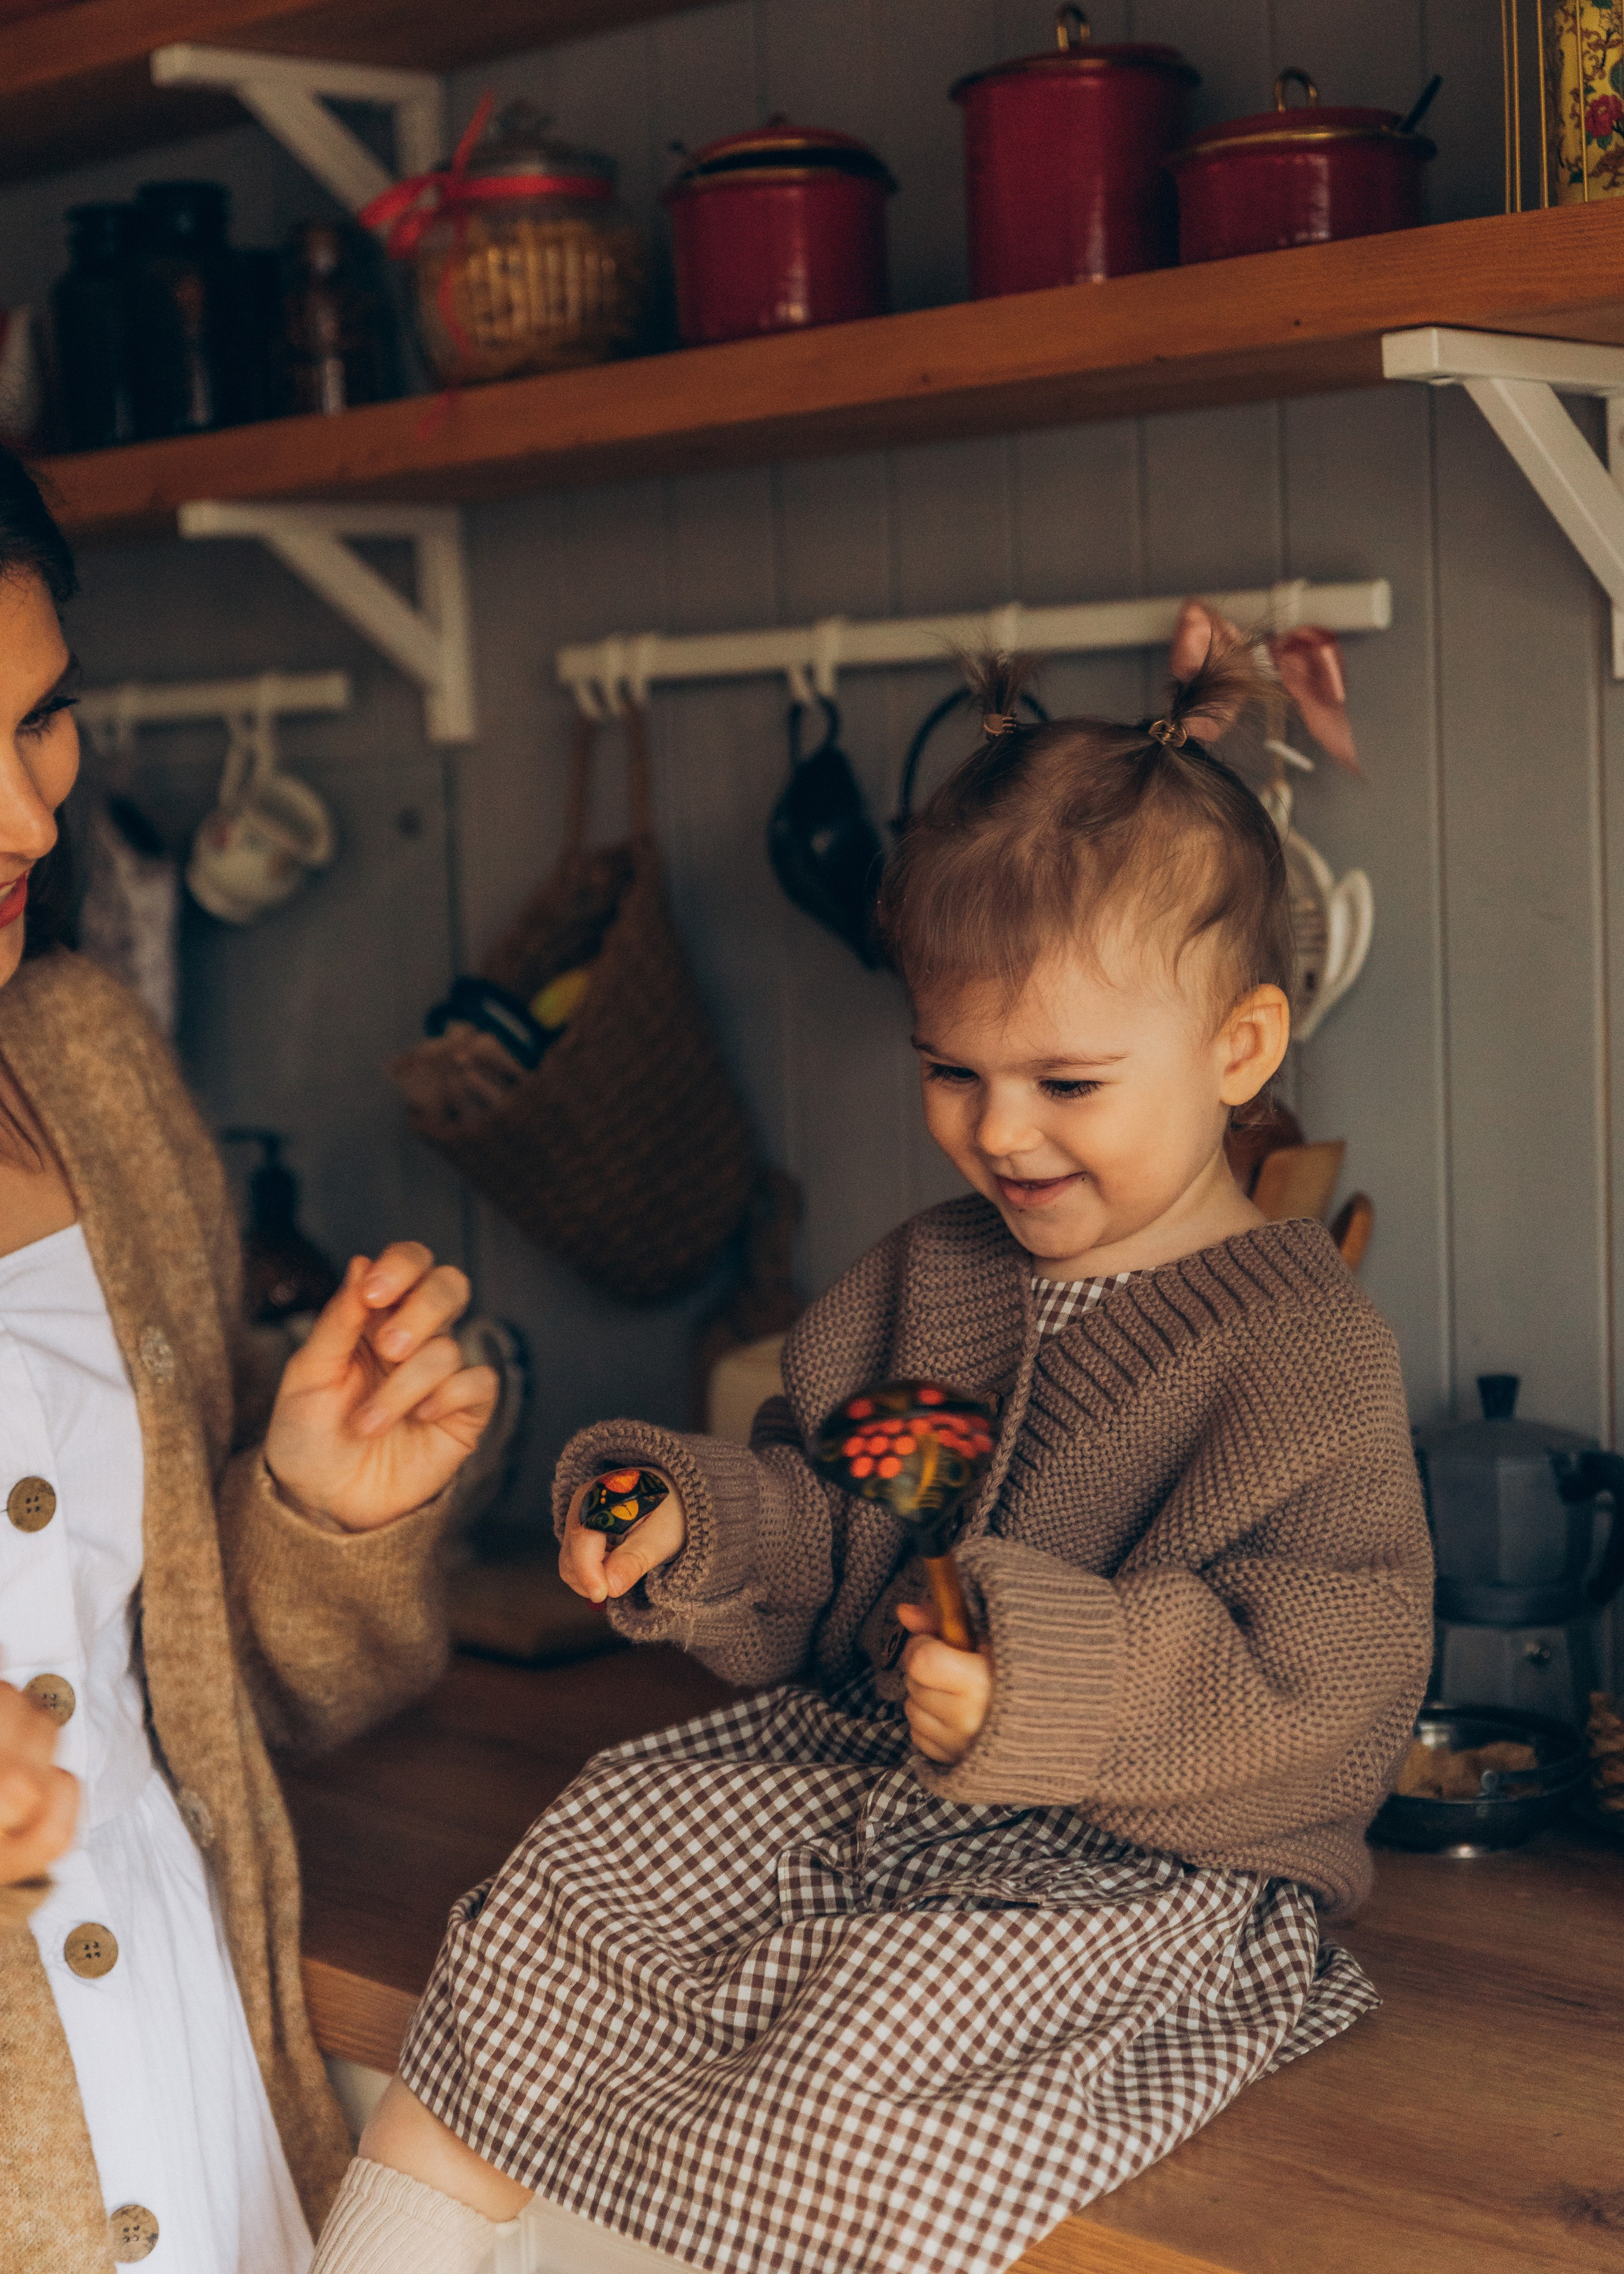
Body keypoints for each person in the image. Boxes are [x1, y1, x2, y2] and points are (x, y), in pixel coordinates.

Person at [311, 636, 1433, 2274]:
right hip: (856, 1785)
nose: (1001, 1132)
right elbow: (840, 1531)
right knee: (563, 1885)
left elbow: (1329, 1699)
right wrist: (695, 1523)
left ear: (1243, 1049)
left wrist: (1028, 1681)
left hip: (1131, 1858)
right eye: (952, 1072)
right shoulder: (931, 1278)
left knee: (860, 2069)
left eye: (1067, 1081)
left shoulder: (1303, 1351)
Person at [0, 447, 499, 2272]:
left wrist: (301, 1513)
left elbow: (201, 1704)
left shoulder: (92, 1072)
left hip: (212, 2152)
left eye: (42, 719)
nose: (29, 820)